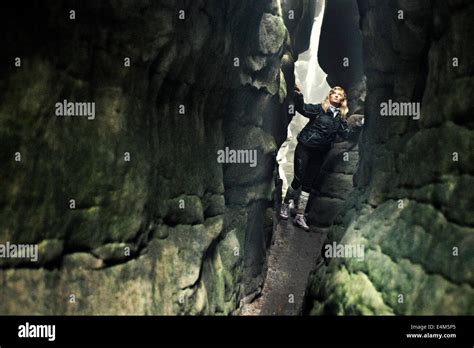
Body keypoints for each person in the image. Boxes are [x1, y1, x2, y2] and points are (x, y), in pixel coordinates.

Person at [280, 85, 351, 231]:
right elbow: (303, 109)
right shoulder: (319, 109)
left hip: (320, 153)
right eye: (334, 93)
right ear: (330, 96)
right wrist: (298, 96)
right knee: (298, 179)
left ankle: (300, 215)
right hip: (305, 147)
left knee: (308, 184)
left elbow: (345, 134)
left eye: (340, 95)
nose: (336, 96)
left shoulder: (340, 119)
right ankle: (285, 205)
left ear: (342, 99)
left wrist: (357, 123)